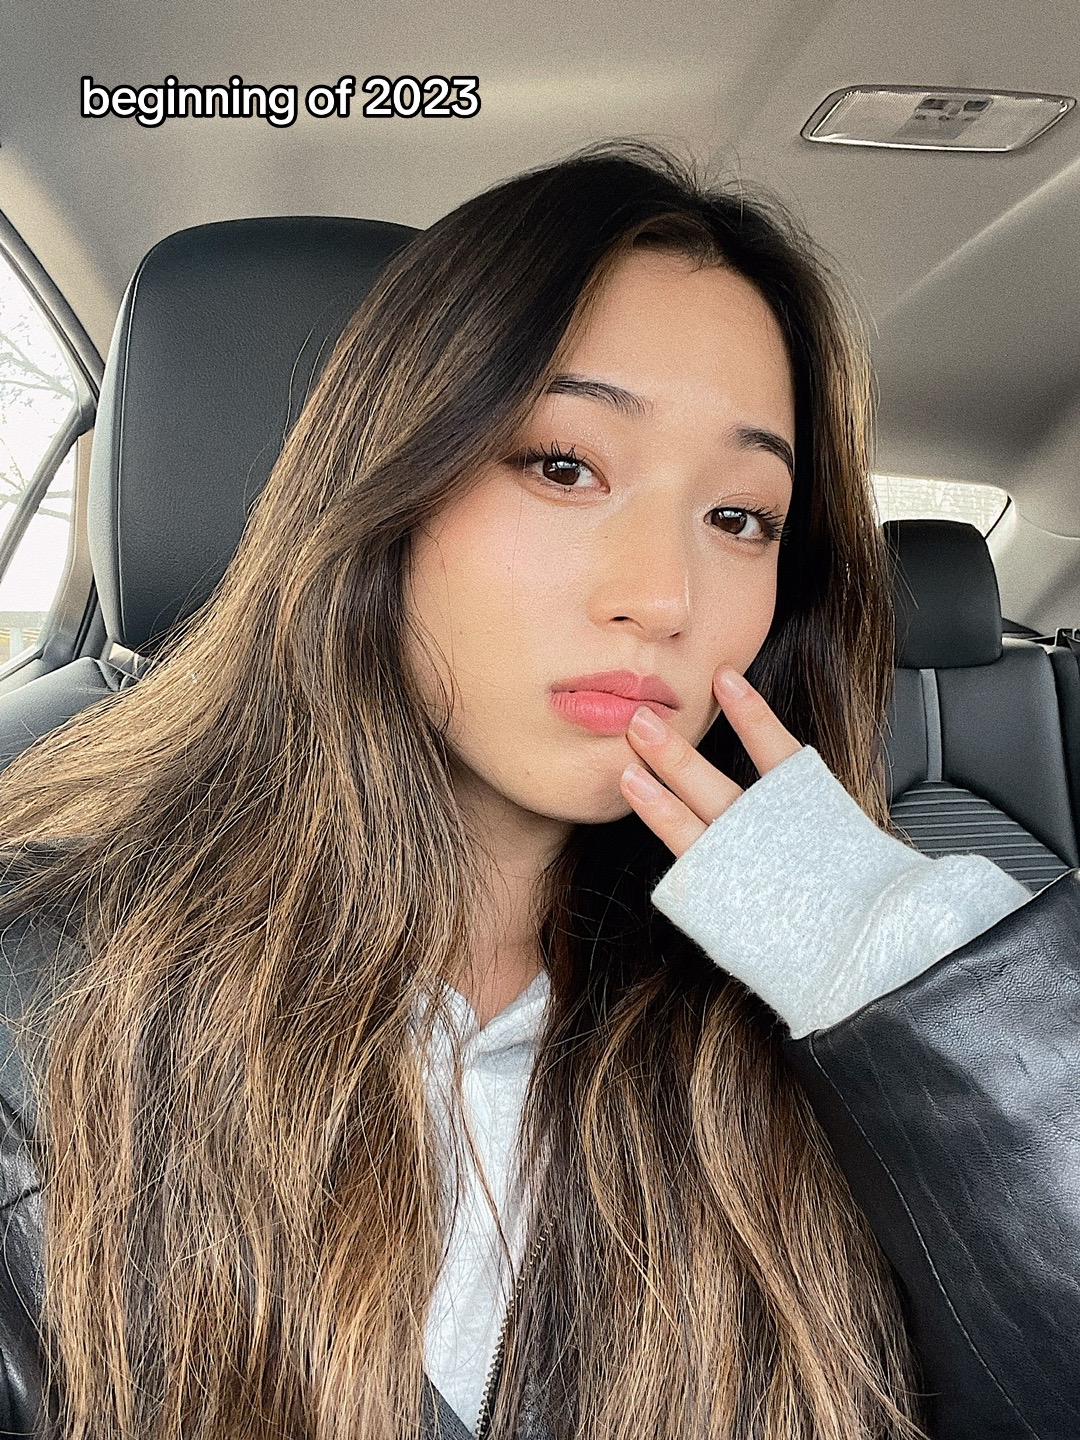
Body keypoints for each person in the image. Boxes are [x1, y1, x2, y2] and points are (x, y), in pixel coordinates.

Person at [0, 139, 1074, 1440]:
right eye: (564, 465)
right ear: (388, 486)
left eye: (741, 517)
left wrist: (894, 959)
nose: (664, 598)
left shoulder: (831, 1018)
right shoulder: (43, 1015)